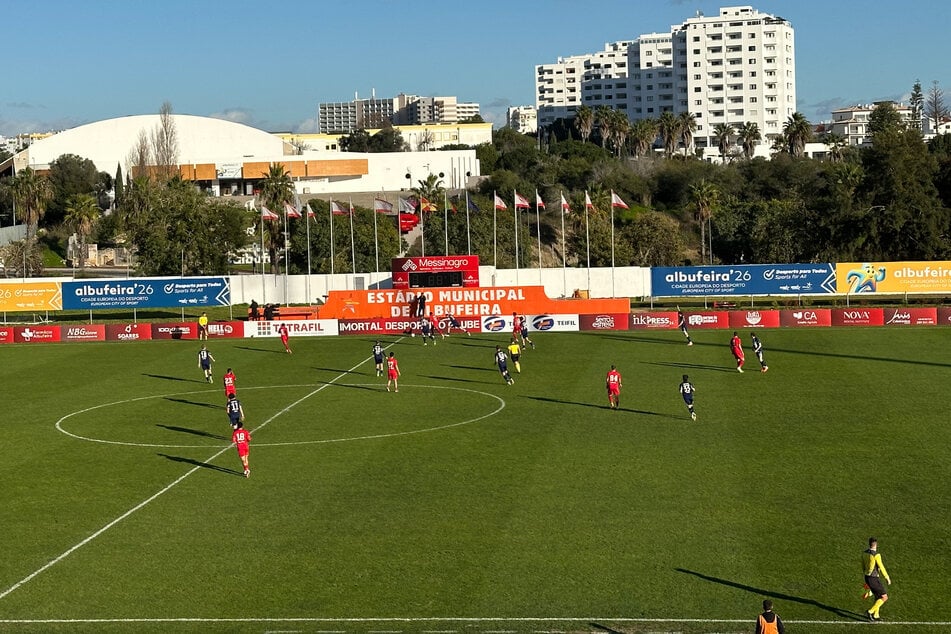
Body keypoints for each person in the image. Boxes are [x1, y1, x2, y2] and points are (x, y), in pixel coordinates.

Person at [863, 536, 892, 622]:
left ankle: (876, 615)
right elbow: (881, 566)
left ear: (869, 544)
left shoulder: (864, 553)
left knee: (877, 596)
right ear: (876, 545)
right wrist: (887, 577)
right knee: (884, 597)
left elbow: (862, 565)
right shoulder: (876, 555)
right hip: (874, 579)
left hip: (867, 577)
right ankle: (870, 611)